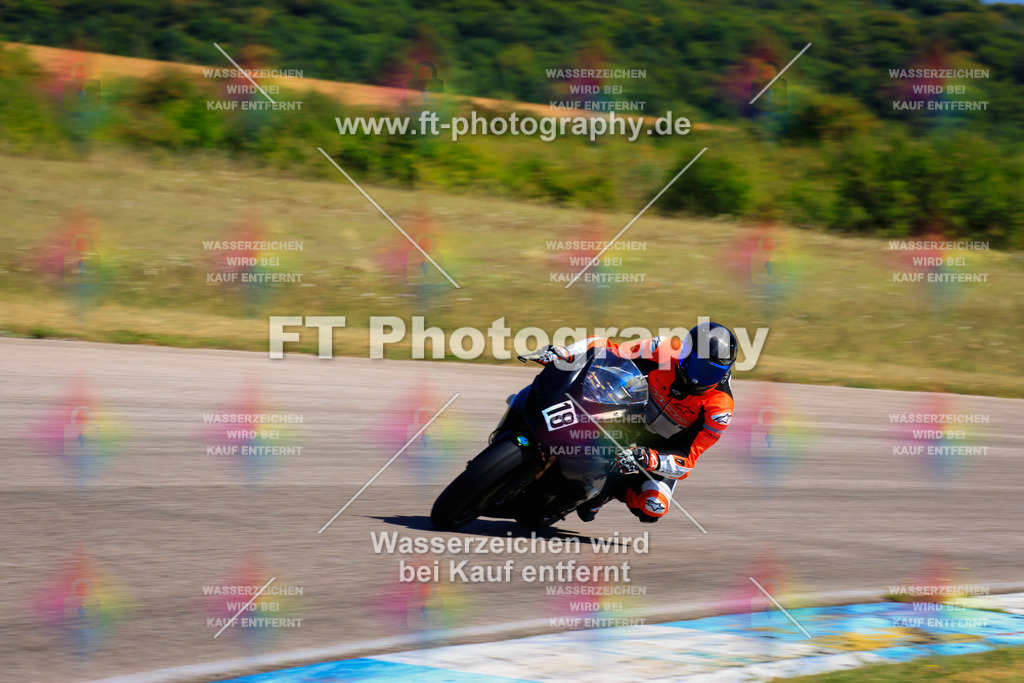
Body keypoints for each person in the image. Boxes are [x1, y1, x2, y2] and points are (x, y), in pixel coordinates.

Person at [535, 322, 737, 523]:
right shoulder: (662, 349)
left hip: (662, 447)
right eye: (697, 366)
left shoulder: (720, 408)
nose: (698, 379)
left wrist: (649, 459)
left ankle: (610, 490)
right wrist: (565, 353)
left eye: (711, 373)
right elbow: (608, 348)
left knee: (654, 506)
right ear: (685, 353)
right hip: (626, 415)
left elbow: (687, 460)